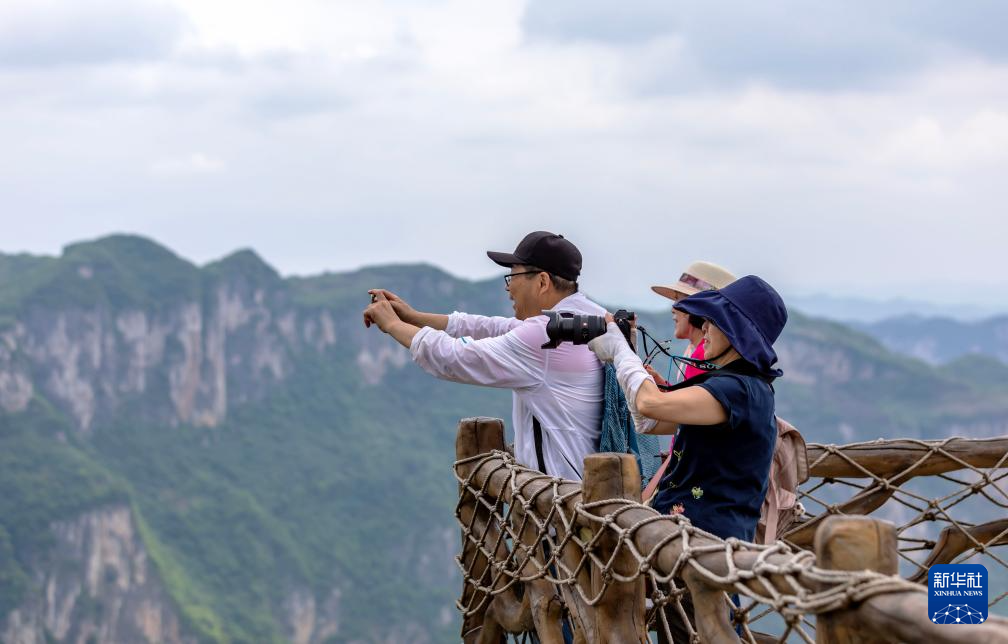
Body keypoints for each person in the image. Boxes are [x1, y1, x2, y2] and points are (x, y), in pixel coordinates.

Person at [362, 231, 605, 480]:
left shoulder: (546, 337)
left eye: (513, 276)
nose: (509, 289)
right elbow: (491, 326)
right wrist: (412, 316)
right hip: (588, 484)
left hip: (564, 501)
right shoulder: (589, 316)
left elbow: (453, 358)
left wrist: (391, 324)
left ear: (542, 282)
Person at [588, 275, 788, 541]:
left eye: (712, 320)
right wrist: (629, 355)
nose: (703, 327)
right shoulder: (737, 386)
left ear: (735, 331)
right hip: (683, 539)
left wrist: (620, 350)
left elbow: (649, 403)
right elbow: (649, 422)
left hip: (703, 548)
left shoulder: (738, 390)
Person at [647, 261, 736, 385]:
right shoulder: (702, 352)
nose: (673, 308)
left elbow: (683, 404)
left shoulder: (702, 355)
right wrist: (661, 384)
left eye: (679, 300)